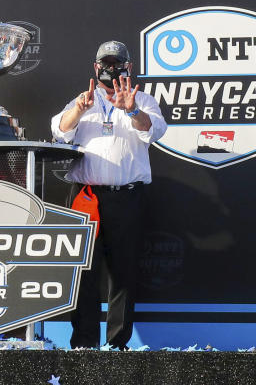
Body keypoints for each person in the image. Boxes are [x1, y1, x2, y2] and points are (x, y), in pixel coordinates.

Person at [50, 40, 167, 350]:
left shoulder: (143, 100)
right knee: (84, 274)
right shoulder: (82, 100)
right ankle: (84, 345)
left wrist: (133, 110)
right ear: (95, 67)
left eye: (117, 63)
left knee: (124, 274)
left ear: (129, 67)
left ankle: (118, 346)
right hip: (87, 198)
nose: (111, 69)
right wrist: (77, 110)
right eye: (106, 63)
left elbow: (153, 130)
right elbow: (60, 131)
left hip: (127, 197)